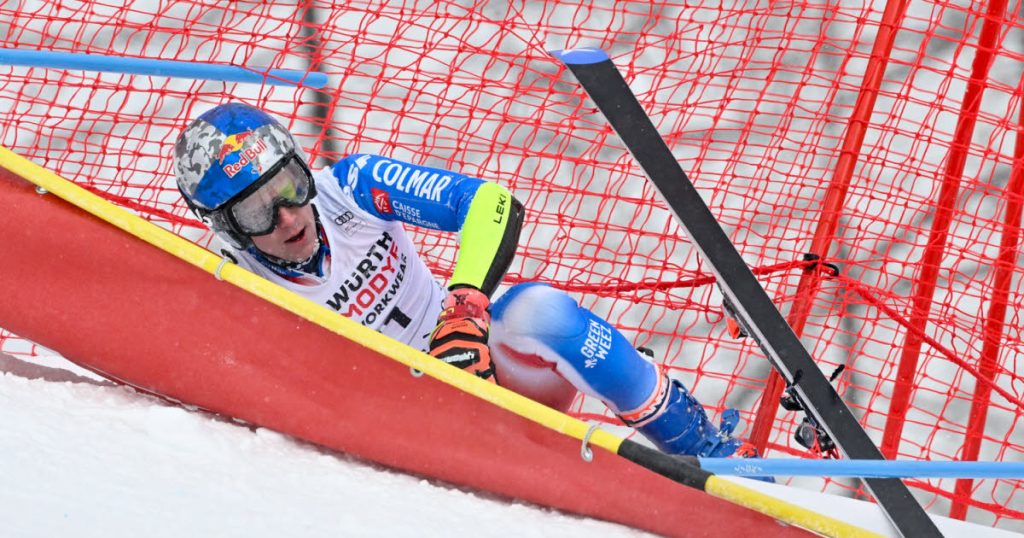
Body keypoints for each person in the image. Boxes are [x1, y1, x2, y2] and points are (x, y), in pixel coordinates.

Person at [173, 101, 745, 458]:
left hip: (476, 367)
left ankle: (706, 451)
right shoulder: (228, 280)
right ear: (226, 227)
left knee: (538, 311)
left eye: (290, 186)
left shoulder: (350, 187)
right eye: (257, 213)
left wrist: (464, 308)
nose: (290, 216)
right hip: (396, 427)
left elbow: (490, 204)